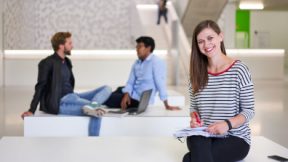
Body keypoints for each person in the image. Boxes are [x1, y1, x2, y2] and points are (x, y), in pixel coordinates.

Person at [183, 20, 255, 162]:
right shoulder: (196, 74)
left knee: (189, 159)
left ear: (220, 37)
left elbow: (249, 111)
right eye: (201, 41)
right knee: (195, 139)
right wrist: (194, 119)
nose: (206, 45)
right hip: (204, 135)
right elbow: (194, 108)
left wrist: (227, 124)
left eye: (210, 38)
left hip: (235, 138)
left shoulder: (239, 70)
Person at [21, 32, 112, 136]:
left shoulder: (67, 61)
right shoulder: (47, 63)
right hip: (61, 103)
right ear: (61, 45)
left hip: (73, 96)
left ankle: (93, 105)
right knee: (97, 112)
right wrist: (31, 110)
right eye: (69, 43)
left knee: (107, 88)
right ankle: (93, 140)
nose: (72, 46)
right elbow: (40, 86)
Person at [104, 36, 180, 111]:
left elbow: (160, 83)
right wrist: (127, 94)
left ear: (148, 48)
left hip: (138, 100)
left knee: (106, 97)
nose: (137, 49)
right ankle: (97, 100)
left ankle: (95, 101)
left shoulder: (156, 62)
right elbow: (130, 82)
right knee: (119, 89)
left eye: (140, 46)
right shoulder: (136, 63)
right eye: (136, 47)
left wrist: (167, 105)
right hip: (132, 93)